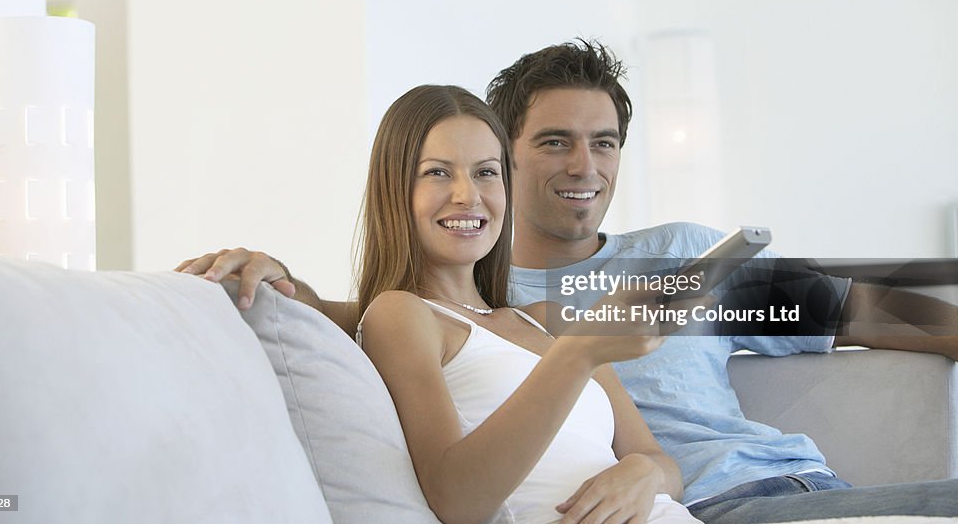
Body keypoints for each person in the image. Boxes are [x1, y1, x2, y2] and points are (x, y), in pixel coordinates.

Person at [178, 40, 958, 523]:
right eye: (554, 142)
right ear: (511, 155)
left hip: (800, 480)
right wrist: (280, 277)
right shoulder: (509, 306)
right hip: (720, 509)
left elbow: (867, 309)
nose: (585, 166)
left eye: (605, 143)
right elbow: (363, 313)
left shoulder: (676, 261)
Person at [342, 84, 701, 524]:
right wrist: (580, 353)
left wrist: (644, 473)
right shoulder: (402, 314)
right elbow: (458, 501)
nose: (467, 195)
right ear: (394, 187)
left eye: (486, 172)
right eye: (437, 172)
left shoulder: (549, 319)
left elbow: (658, 461)